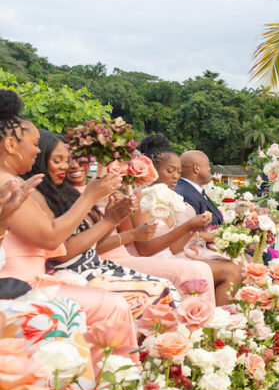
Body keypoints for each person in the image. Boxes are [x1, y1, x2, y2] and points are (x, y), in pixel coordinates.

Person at [0, 89, 138, 360]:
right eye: (34, 142)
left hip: (31, 279)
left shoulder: (12, 181)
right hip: (18, 284)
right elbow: (52, 239)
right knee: (113, 306)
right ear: (10, 145)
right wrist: (90, 196)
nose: (38, 149)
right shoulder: (7, 183)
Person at [25, 131, 176, 318]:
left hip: (96, 265)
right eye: (58, 161)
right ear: (40, 161)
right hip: (72, 273)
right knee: (154, 293)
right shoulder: (38, 195)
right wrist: (105, 216)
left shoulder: (66, 193)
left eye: (71, 159)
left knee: (165, 287)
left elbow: (94, 242)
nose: (68, 166)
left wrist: (114, 216)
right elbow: (63, 252)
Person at [131, 136, 239, 306]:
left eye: (179, 172)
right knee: (230, 270)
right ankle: (215, 322)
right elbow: (145, 249)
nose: (175, 177)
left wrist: (194, 228)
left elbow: (173, 247)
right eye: (170, 171)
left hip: (169, 255)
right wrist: (189, 226)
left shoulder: (169, 199)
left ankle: (216, 321)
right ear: (153, 170)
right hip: (149, 258)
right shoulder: (142, 198)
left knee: (235, 266)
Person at [175, 149, 224, 225]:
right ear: (196, 168)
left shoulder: (192, 190)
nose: (209, 169)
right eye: (207, 165)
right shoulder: (185, 196)